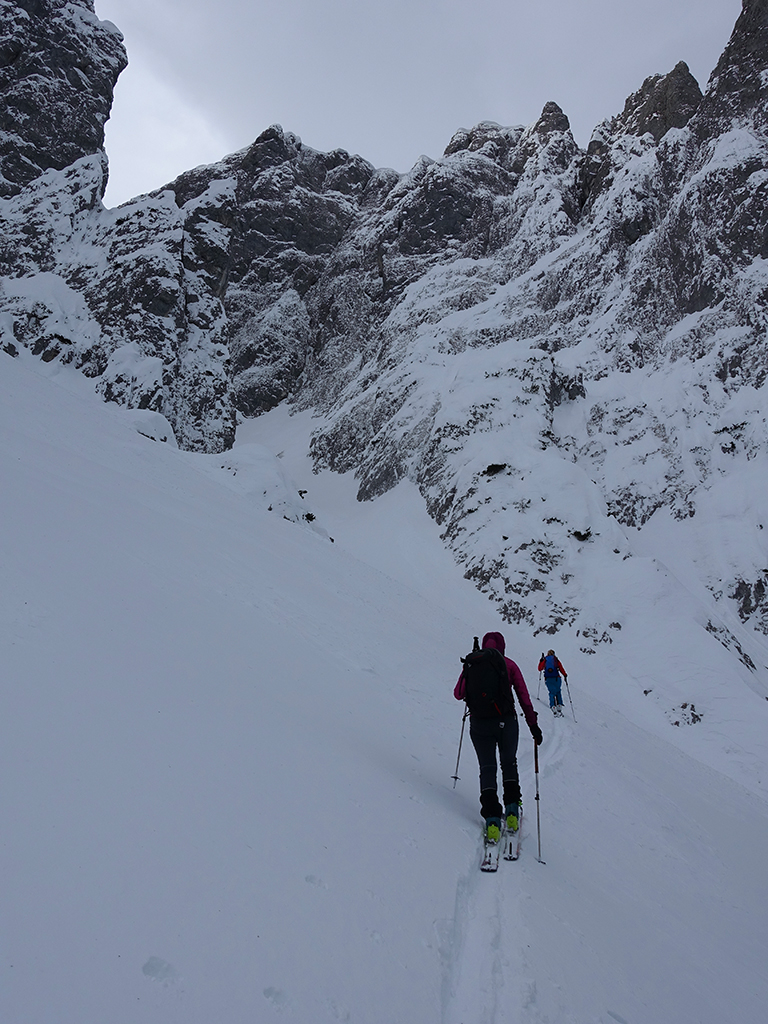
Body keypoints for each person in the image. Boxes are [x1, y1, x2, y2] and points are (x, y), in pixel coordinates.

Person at [455, 632, 542, 842]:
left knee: (487, 768)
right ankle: (512, 813)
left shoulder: (473, 663)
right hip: (506, 723)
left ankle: (492, 821)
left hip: (479, 724)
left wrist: (469, 670)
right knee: (509, 763)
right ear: (502, 646)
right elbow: (523, 697)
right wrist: (533, 726)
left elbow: (458, 693)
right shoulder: (509, 664)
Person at [538, 649, 567, 715]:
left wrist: (540, 661)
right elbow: (561, 668)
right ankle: (559, 705)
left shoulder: (545, 660)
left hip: (548, 679)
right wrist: (565, 674)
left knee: (551, 692)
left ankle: (553, 705)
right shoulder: (556, 660)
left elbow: (540, 669)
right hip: (557, 678)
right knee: (558, 691)